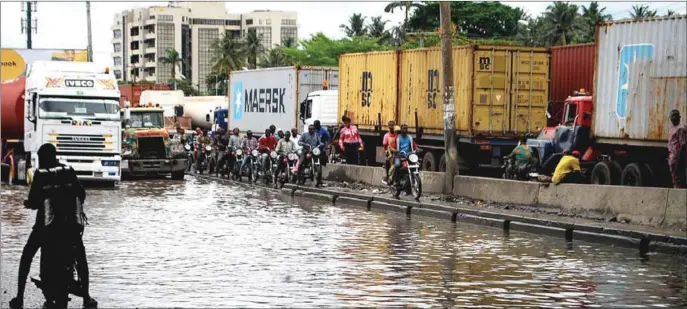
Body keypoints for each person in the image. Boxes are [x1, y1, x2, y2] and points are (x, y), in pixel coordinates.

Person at [9, 143, 97, 309]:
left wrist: (29, 204)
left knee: (27, 255)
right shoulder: (69, 171)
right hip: (70, 229)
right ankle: (86, 297)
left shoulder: (41, 175)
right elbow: (82, 193)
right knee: (81, 258)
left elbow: (34, 202)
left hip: (46, 230)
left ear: (42, 159)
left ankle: (19, 297)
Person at [668, 110, 687, 188]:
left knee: (679, 177)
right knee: (674, 177)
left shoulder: (681, 129)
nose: (673, 118)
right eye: (672, 116)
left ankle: (678, 191)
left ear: (679, 117)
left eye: (675, 116)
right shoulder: (673, 128)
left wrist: (679, 160)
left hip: (678, 158)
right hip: (673, 157)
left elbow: (683, 144)